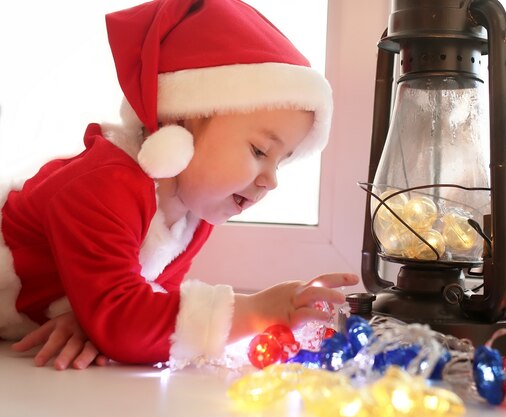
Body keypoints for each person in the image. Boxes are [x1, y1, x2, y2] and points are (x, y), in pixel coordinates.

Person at [0, 0, 359, 370]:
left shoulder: (189, 215)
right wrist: (256, 309)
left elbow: (147, 301)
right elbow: (124, 322)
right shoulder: (104, 187)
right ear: (181, 118)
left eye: (281, 162)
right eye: (259, 150)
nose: (271, 181)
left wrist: (89, 317)